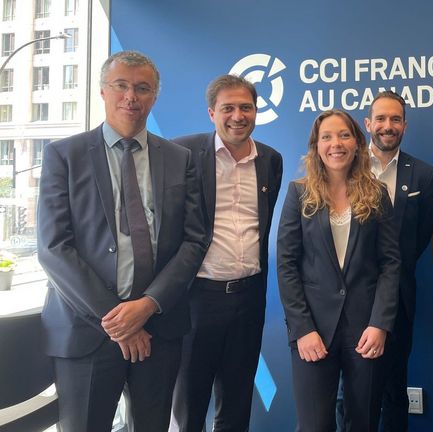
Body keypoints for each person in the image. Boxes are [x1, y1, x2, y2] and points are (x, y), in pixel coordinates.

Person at [36, 50, 207, 431]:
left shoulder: (179, 159)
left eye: (142, 88)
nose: (131, 96)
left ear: (155, 96)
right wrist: (118, 320)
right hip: (87, 332)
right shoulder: (64, 155)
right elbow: (53, 248)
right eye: (121, 86)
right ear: (103, 91)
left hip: (159, 330)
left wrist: (147, 305)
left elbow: (194, 241)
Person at [170, 74, 283, 431]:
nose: (238, 116)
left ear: (256, 111)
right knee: (189, 405)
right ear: (211, 113)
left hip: (248, 299)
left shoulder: (270, 160)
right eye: (228, 108)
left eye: (245, 107)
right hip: (196, 299)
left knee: (236, 404)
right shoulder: (182, 154)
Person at [277, 109, 400, 431]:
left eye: (344, 135)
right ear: (316, 146)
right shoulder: (299, 193)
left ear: (357, 143)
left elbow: (390, 264)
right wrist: (302, 329)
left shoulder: (376, 194)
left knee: (363, 422)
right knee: (314, 425)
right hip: (313, 330)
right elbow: (287, 265)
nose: (336, 144)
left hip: (366, 330)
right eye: (327, 137)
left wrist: (380, 324)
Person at [335, 91, 433, 431]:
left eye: (395, 119)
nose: (387, 125)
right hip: (348, 299)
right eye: (380, 118)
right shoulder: (343, 167)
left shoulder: (423, 175)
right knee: (347, 393)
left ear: (405, 125)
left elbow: (420, 237)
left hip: (398, 298)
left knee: (394, 390)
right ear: (367, 124)